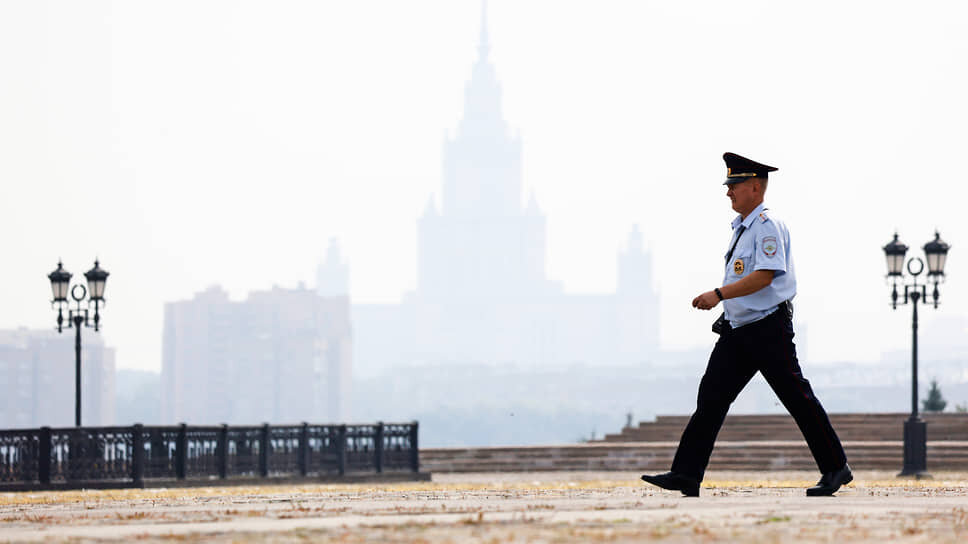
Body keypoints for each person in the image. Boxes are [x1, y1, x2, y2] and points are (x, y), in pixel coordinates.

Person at [641, 152, 851, 497]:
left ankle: (835, 467)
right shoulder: (742, 229)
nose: (729, 192)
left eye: (734, 185)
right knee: (711, 398)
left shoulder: (767, 227)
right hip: (739, 330)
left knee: (797, 398)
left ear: (755, 186)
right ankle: (686, 474)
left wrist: (719, 294)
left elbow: (765, 277)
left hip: (767, 329)